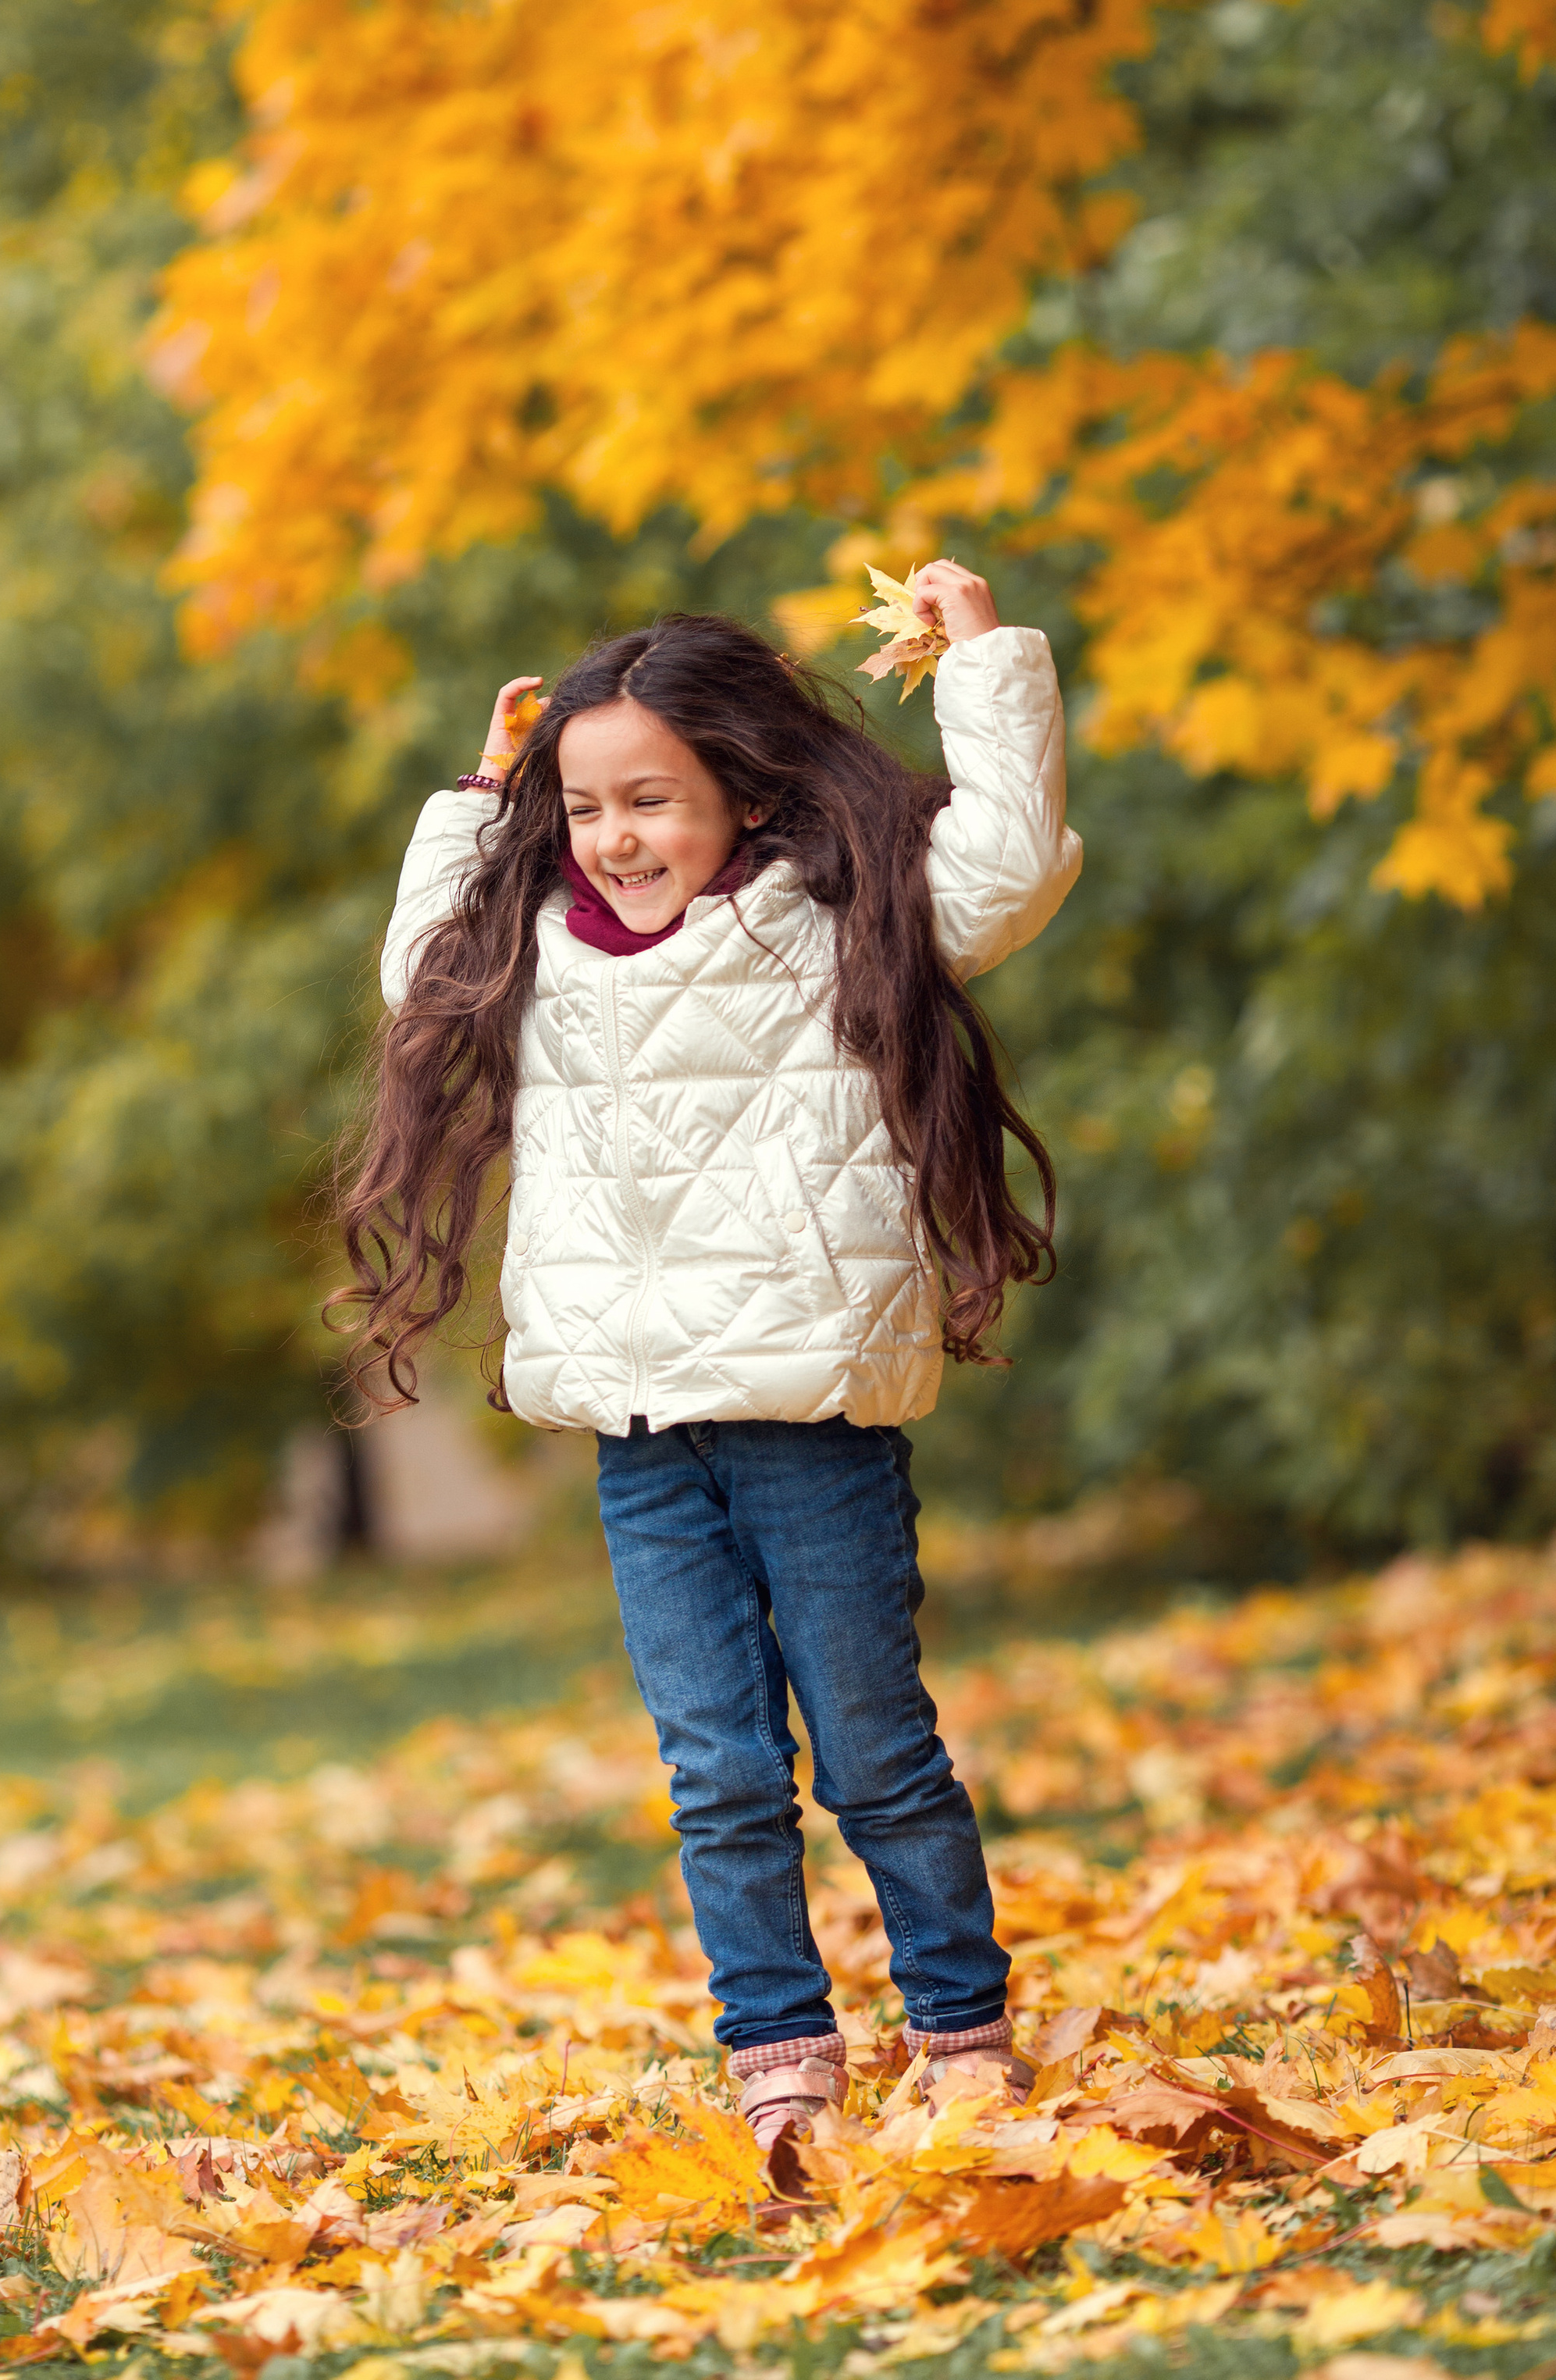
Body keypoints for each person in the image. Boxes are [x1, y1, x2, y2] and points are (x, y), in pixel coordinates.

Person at [337, 562, 1081, 2172]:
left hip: (807, 1412)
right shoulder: (528, 953)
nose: (614, 836)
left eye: (651, 801)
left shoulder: (829, 916)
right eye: (585, 806)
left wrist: (980, 664)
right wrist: (477, 799)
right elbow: (415, 981)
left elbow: (1007, 875)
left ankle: (959, 2034)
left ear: (739, 789)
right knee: (718, 1772)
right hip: (641, 1429)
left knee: (874, 1751)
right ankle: (780, 2059)